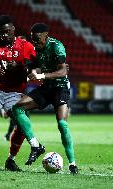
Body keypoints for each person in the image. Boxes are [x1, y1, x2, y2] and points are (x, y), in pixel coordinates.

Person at [12, 23, 78, 174]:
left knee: (62, 124)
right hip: (46, 88)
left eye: (37, 39)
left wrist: (41, 75)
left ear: (45, 36)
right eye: (32, 39)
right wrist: (33, 72)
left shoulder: (57, 46)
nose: (34, 42)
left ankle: (73, 164)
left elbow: (62, 72)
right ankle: (36, 146)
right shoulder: (35, 48)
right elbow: (34, 66)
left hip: (60, 88)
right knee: (18, 108)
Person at [0, 15, 36, 171]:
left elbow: (36, 64)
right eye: (1, 32)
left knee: (23, 126)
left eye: (7, 31)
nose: (4, 35)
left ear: (13, 29)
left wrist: (27, 69)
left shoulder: (25, 45)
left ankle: (11, 159)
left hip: (15, 93)